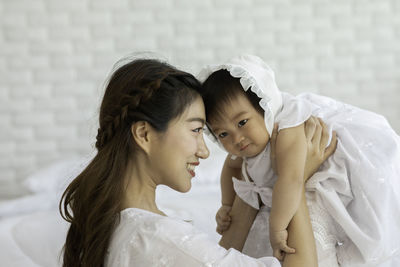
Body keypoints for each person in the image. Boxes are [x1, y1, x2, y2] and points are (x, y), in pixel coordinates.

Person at [59, 57, 334, 267]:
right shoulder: (158, 237)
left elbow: (221, 257)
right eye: (196, 130)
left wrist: (263, 178)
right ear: (144, 134)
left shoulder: (113, 226)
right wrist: (295, 177)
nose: (205, 152)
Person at [198, 54, 400, 267]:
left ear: (266, 107)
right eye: (222, 134)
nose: (237, 139)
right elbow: (230, 167)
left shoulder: (286, 130)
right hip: (285, 191)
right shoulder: (243, 145)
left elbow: (291, 179)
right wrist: (226, 205)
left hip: (312, 181)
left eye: (242, 122)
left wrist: (278, 227)